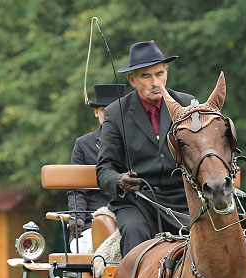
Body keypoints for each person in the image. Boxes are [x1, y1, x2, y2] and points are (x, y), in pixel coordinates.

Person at [96, 40, 196, 256]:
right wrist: (119, 181)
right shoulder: (115, 113)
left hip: (183, 199)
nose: (155, 82)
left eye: (159, 74)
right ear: (132, 79)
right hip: (138, 201)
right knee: (134, 230)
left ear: (167, 72)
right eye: (146, 76)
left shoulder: (188, 106)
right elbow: (104, 170)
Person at [67, 83, 127, 252]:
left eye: (114, 110)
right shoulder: (83, 144)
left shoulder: (134, 142)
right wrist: (76, 217)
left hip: (128, 218)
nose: (109, 115)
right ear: (96, 112)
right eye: (104, 110)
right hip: (91, 222)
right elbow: (77, 190)